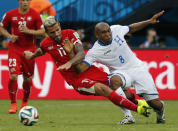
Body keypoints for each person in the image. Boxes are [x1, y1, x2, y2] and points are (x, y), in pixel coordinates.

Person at [24, 16, 150, 122]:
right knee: (104, 89)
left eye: (57, 30)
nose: (56, 34)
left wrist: (70, 62)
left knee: (121, 89)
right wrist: (32, 55)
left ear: (59, 26)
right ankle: (133, 113)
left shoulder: (70, 34)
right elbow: (42, 50)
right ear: (46, 32)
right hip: (76, 79)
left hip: (89, 70)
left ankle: (139, 103)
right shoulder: (46, 43)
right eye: (52, 32)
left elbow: (81, 54)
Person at [62, 11, 166, 124]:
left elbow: (132, 28)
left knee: (155, 103)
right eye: (103, 33)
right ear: (97, 35)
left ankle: (161, 114)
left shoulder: (116, 29)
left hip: (138, 68)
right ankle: (129, 117)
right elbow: (81, 69)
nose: (108, 34)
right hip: (120, 73)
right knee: (113, 81)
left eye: (108, 31)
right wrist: (70, 55)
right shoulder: (94, 51)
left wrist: (149, 21)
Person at [0, 0, 45, 113]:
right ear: (19, 1)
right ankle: (13, 103)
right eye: (23, 0)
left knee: (28, 78)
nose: (25, 2)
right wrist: (10, 36)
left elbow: (43, 32)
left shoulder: (35, 14)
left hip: (29, 51)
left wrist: (28, 31)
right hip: (14, 49)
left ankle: (24, 102)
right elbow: (1, 28)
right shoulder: (10, 14)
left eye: (27, 0)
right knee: (13, 76)